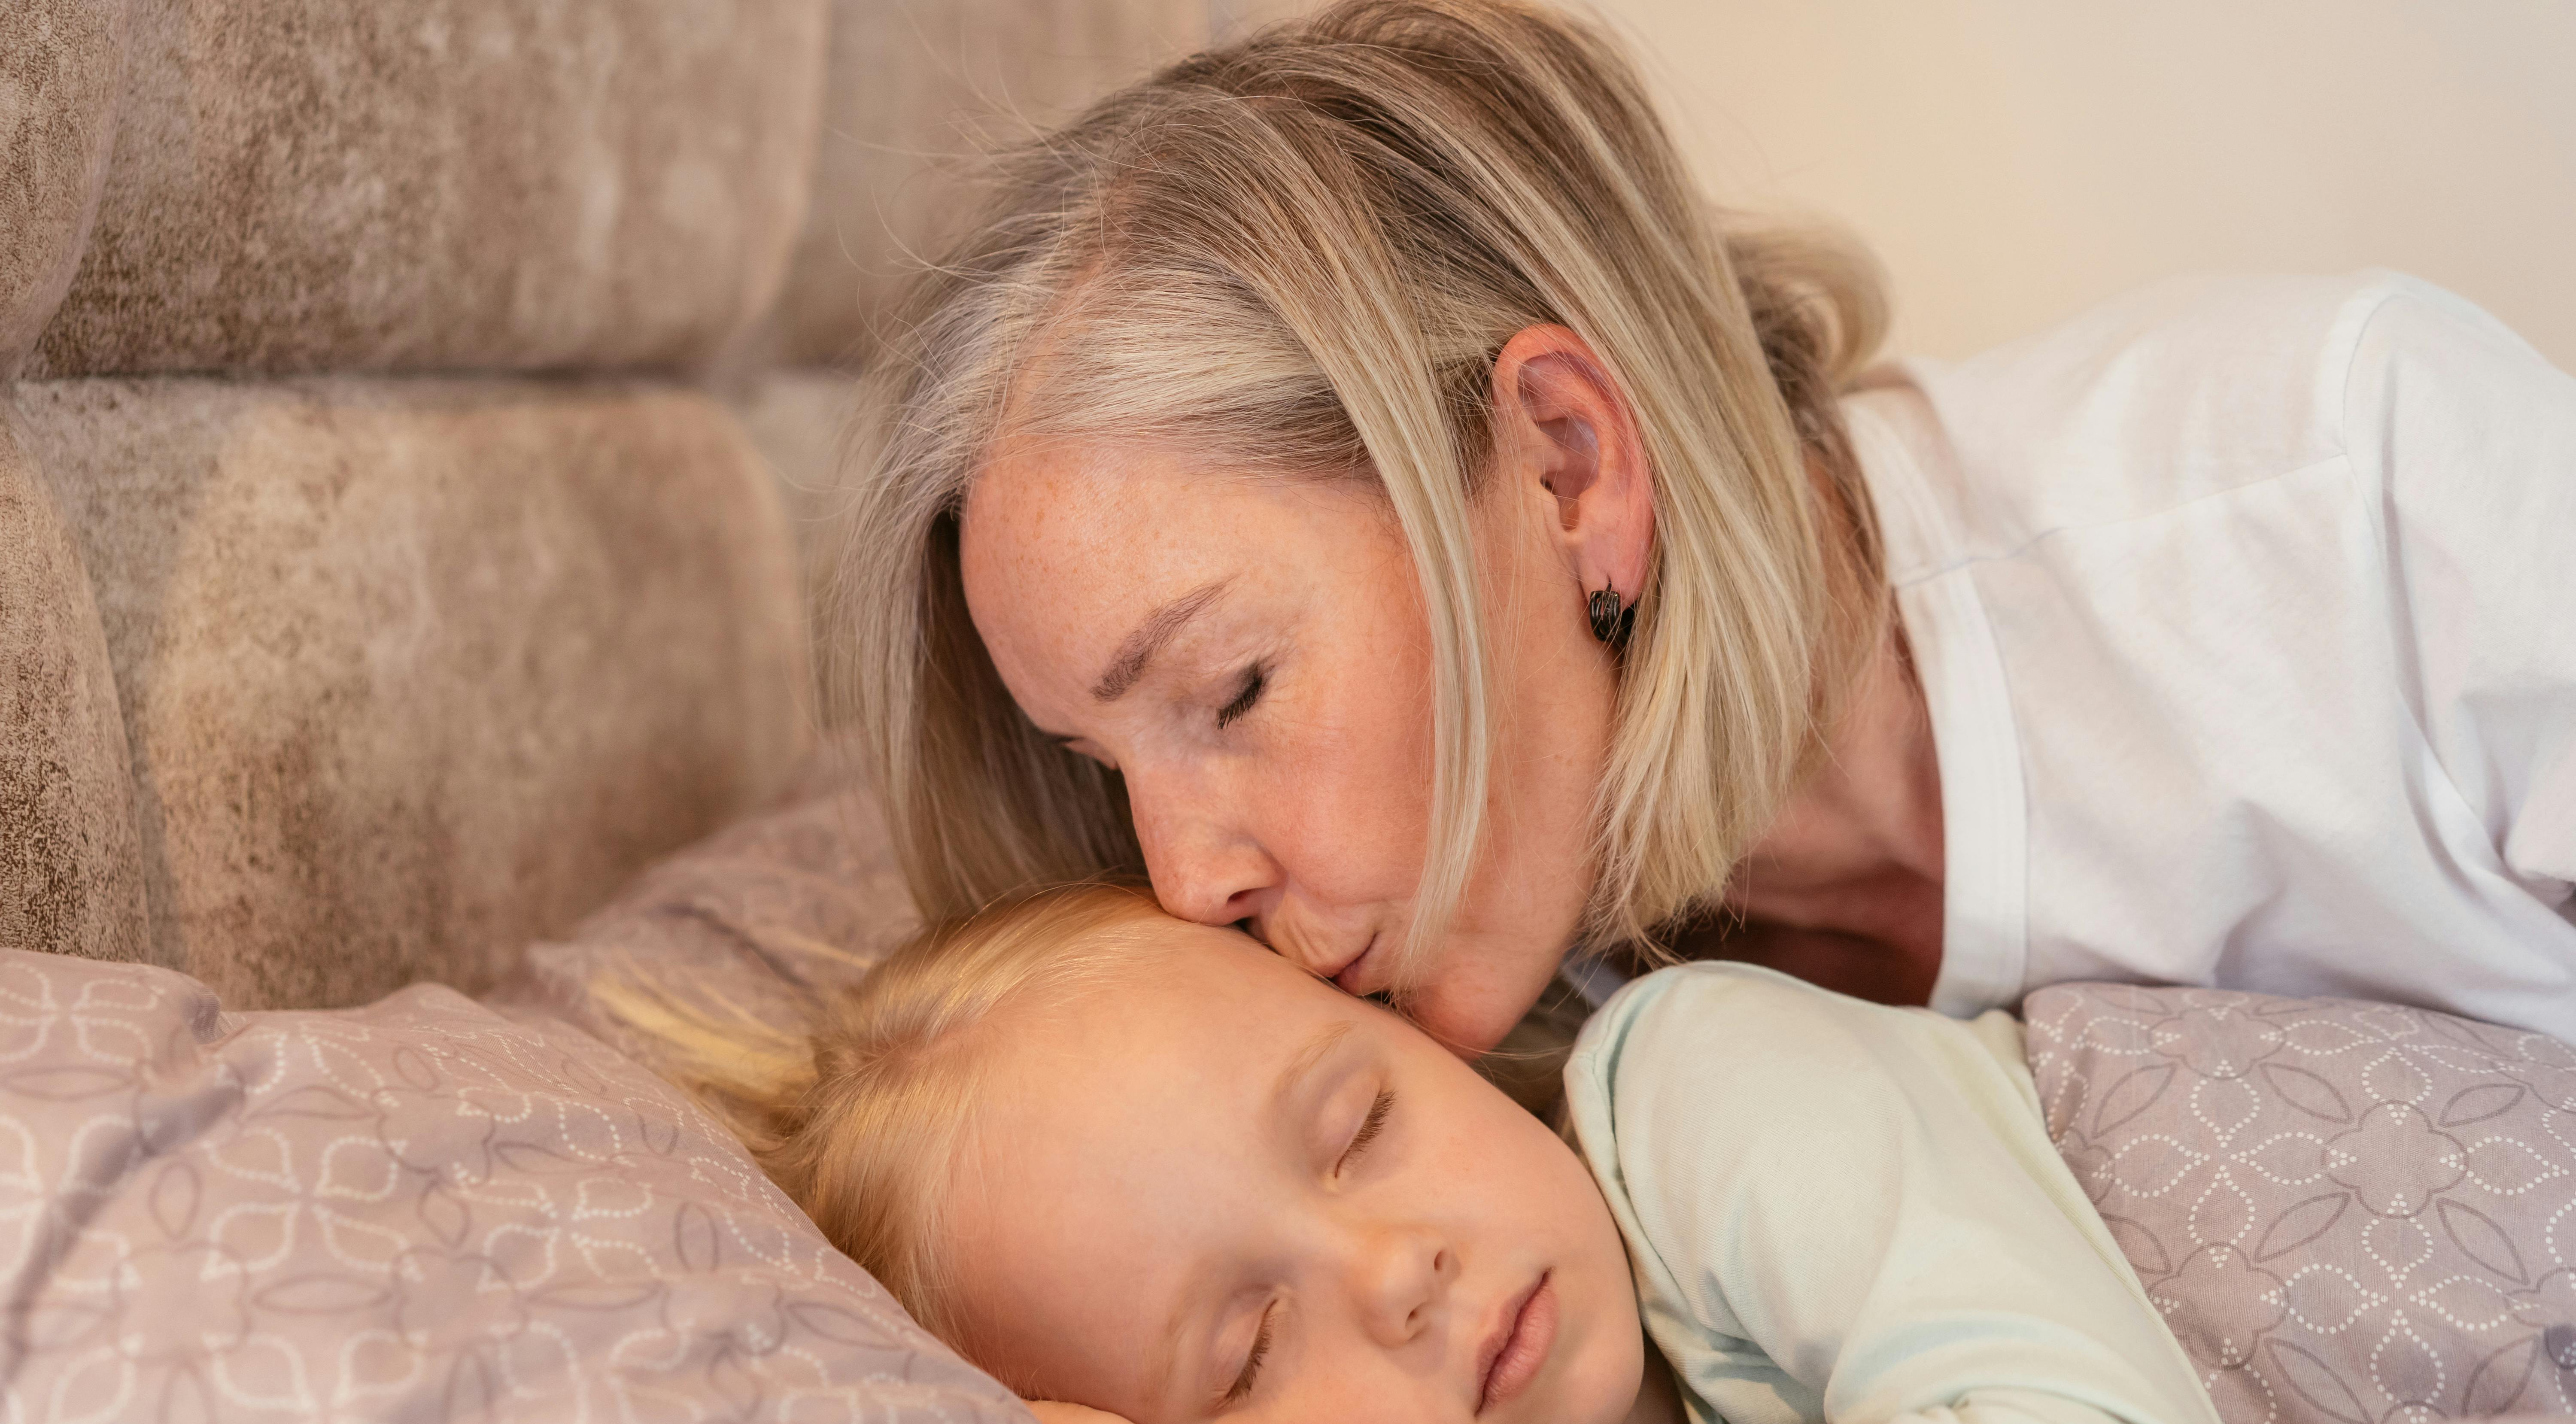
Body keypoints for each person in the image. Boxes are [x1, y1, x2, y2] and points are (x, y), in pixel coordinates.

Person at [835, 0, 2576, 1060]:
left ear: (1568, 467)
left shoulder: (2350, 495)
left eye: (1228, 690)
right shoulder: (1521, 1060)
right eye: (1103, 760)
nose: (1185, 881)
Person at [611, 883, 2234, 1424]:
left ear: (1409, 1025)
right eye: (1250, 1352)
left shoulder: (1703, 1091)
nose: (1395, 1275)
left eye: (1362, 1123)